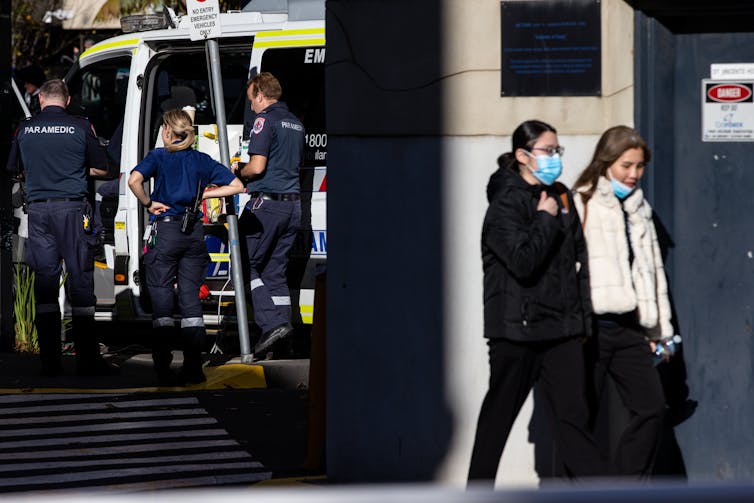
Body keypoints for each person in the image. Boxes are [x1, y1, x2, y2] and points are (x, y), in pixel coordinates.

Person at [468, 120, 601, 484]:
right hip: (517, 332)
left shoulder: (561, 196)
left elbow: (579, 263)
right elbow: (523, 263)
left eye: (558, 150)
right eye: (547, 150)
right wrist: (544, 219)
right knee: (497, 421)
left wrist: (583, 325)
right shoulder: (504, 205)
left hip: (562, 331)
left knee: (574, 422)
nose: (555, 157)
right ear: (522, 156)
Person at [572, 125, 670, 477]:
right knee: (579, 421)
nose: (633, 174)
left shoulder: (639, 208)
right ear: (606, 161)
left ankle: (625, 488)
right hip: (591, 330)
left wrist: (659, 330)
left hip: (629, 329)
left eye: (640, 166)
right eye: (626, 165)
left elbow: (652, 274)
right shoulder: (582, 202)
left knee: (652, 409)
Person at [6, 79, 115, 376]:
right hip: (73, 211)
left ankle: (50, 362)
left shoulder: (24, 129)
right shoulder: (81, 127)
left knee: (45, 285)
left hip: (39, 212)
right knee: (80, 282)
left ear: (41, 100)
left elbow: (13, 169)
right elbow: (104, 168)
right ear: (66, 101)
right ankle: (88, 361)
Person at [128, 109, 244, 386]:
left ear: (168, 131)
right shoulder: (202, 160)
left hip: (166, 230)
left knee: (163, 302)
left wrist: (147, 203)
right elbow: (237, 185)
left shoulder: (158, 156)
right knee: (191, 302)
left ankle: (164, 368)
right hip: (193, 232)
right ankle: (194, 367)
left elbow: (133, 180)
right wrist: (205, 193)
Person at [233, 72, 305, 357]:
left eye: (252, 100)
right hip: (293, 206)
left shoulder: (265, 121)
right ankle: (283, 336)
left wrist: (238, 170)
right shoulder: (296, 123)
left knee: (242, 261)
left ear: (261, 95)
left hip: (266, 205)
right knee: (275, 273)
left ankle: (272, 323)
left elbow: (258, 167)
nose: (251, 106)